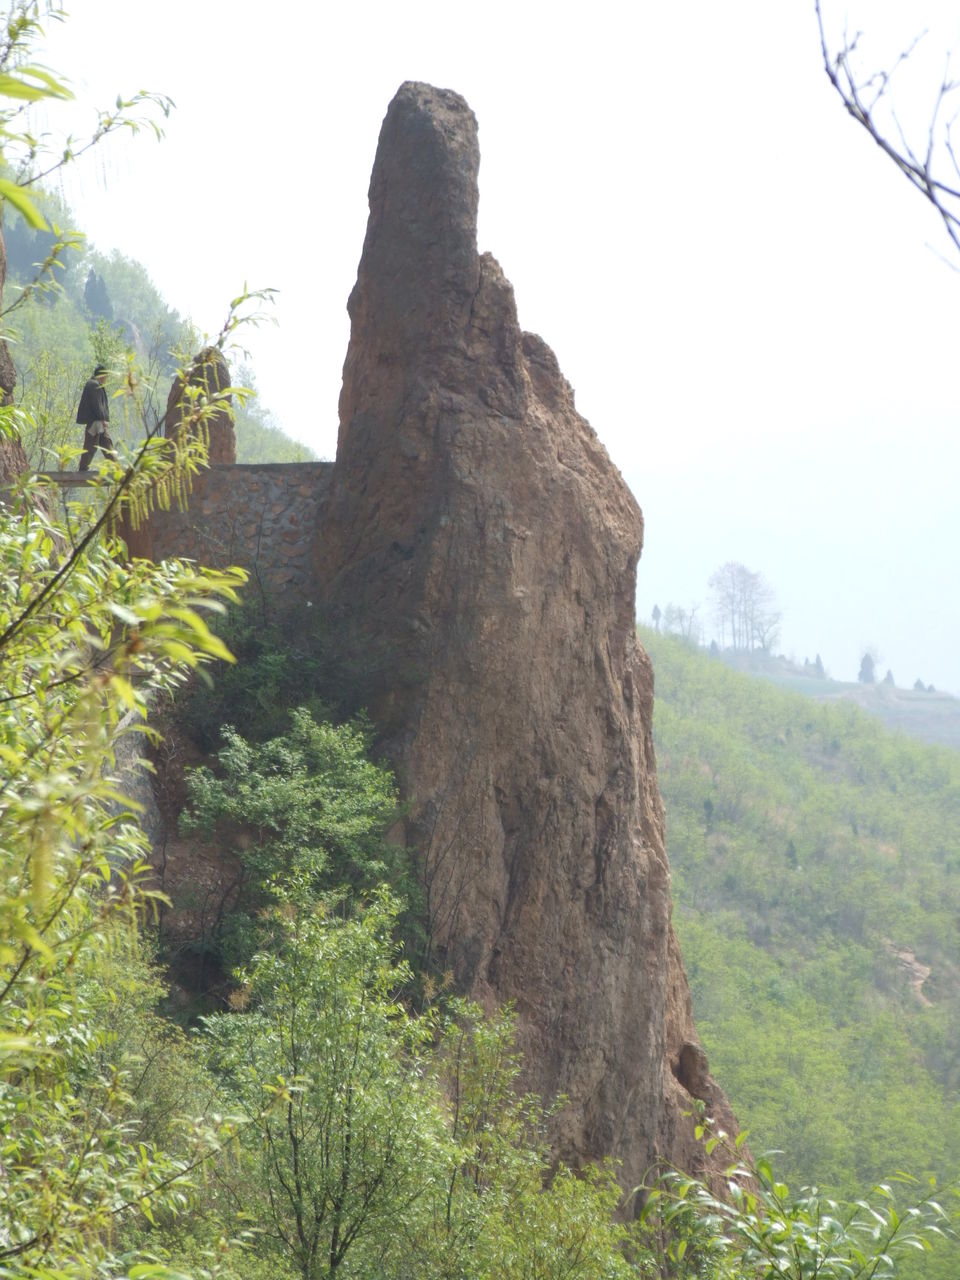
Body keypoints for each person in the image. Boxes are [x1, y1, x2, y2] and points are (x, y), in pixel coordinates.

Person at [76, 365, 116, 470]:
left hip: (96, 423)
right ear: (101, 375)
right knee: (93, 446)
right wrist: (103, 419)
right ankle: (83, 470)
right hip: (96, 423)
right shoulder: (94, 385)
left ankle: (117, 468)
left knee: (103, 445)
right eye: (106, 376)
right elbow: (97, 404)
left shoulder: (94, 384)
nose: (106, 379)